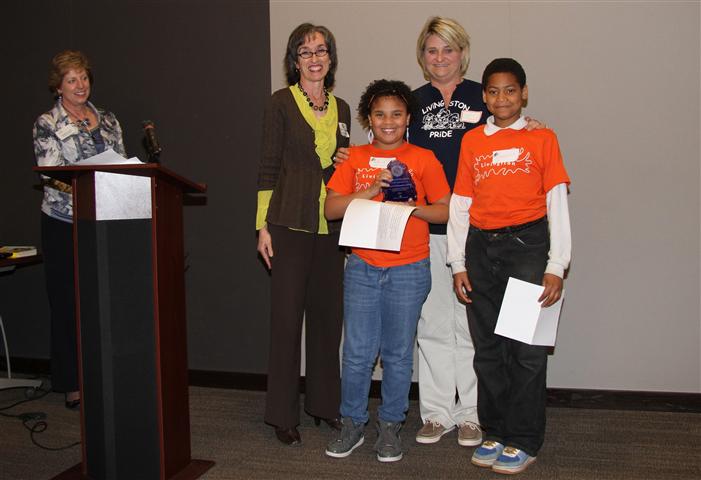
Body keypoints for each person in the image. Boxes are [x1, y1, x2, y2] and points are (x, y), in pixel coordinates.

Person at [408, 16, 546, 447]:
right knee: (431, 324)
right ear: (422, 56)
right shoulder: (412, 102)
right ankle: (435, 413)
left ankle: (472, 415)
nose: (440, 58)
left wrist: (533, 128)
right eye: (432, 50)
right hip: (428, 229)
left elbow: (513, 129)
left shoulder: (485, 96)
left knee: (473, 329)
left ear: (462, 53)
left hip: (478, 232)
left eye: (448, 49)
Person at [447, 58, 571, 474]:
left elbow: (556, 201)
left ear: (524, 93)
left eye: (511, 90)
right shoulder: (472, 142)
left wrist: (556, 264)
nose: (503, 98)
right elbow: (461, 205)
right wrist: (457, 262)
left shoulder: (543, 138)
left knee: (526, 351)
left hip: (527, 249)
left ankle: (524, 439)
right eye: (494, 91)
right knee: (488, 351)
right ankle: (496, 431)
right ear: (484, 96)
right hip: (481, 251)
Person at [324, 80, 451, 463]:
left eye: (396, 113)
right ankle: (353, 423)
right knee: (358, 354)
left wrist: (411, 206)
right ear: (369, 119)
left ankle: (392, 425)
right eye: (380, 114)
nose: (388, 121)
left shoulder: (425, 158)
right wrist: (371, 190)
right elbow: (331, 209)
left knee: (397, 355)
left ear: (408, 117)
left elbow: (444, 210)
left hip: (409, 268)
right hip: (363, 266)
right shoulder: (354, 159)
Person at [256, 23, 351, 446]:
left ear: (330, 59)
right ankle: (282, 414)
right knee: (286, 321)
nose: (314, 59)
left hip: (331, 228)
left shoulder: (343, 108)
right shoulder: (280, 103)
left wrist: (344, 163)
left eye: (321, 51)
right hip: (288, 225)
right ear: (294, 61)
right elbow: (268, 166)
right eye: (305, 52)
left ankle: (324, 405)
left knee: (329, 320)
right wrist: (262, 226)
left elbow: (334, 170)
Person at [33, 50, 126, 410]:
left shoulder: (108, 119)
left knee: (103, 302)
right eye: (71, 80)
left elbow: (120, 162)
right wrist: (90, 183)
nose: (80, 85)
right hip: (64, 223)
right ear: (58, 87)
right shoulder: (47, 123)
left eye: (84, 78)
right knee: (68, 302)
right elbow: (49, 172)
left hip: (105, 221)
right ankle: (73, 383)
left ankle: (106, 375)